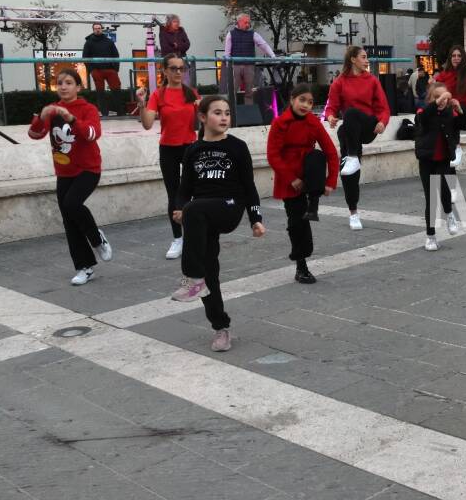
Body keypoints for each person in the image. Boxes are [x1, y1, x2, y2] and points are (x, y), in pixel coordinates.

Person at [170, 96, 266, 352]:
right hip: (201, 217)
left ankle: (191, 278)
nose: (224, 117)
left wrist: (256, 219)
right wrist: (180, 208)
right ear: (202, 117)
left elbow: (249, 186)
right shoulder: (192, 150)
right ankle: (220, 328)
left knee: (195, 210)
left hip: (229, 206)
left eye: (227, 113)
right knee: (209, 273)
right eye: (217, 113)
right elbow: (184, 188)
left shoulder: (237, 147)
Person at [27, 69, 113, 285]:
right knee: (68, 219)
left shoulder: (88, 109)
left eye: (68, 82)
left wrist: (72, 118)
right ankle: (85, 267)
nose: (63, 87)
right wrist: (42, 116)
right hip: (64, 171)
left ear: (78, 87)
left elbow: (93, 134)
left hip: (88, 169)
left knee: (73, 204)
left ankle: (97, 238)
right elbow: (35, 134)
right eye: (59, 83)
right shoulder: (54, 110)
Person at [267, 85, 339, 283]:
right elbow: (273, 156)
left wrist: (330, 181)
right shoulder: (280, 123)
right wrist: (291, 178)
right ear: (292, 100)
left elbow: (331, 152)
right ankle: (301, 264)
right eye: (302, 100)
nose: (306, 105)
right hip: (289, 178)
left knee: (316, 155)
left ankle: (313, 203)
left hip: (310, 173)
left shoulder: (313, 122)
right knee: (297, 222)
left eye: (310, 102)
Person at [136, 54, 201, 260]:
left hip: (190, 147)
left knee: (192, 192)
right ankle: (177, 238)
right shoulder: (159, 94)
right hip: (168, 148)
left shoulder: (191, 93)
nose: (178, 72)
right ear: (165, 71)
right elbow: (147, 123)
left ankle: (193, 235)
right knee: (173, 194)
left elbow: (203, 119)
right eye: (173, 68)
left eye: (181, 68)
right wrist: (141, 102)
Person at [324, 45, 390, 230]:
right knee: (348, 170)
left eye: (366, 57)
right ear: (353, 59)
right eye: (363, 57)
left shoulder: (372, 80)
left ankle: (352, 157)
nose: (366, 60)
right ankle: (353, 213)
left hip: (369, 127)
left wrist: (383, 122)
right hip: (351, 133)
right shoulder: (339, 82)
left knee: (351, 114)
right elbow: (331, 106)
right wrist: (330, 117)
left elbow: (384, 108)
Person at [415, 82, 466, 251]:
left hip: (443, 159)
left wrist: (459, 109)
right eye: (437, 97)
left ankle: (449, 214)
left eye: (444, 96)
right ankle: (430, 237)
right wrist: (436, 103)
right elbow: (421, 120)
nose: (442, 100)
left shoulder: (449, 114)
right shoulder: (424, 112)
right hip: (427, 160)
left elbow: (464, 124)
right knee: (431, 198)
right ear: (430, 99)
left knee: (444, 187)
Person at [224, 13, 275, 97]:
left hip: (249, 66)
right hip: (235, 66)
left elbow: (264, 45)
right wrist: (228, 67)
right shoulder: (230, 34)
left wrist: (273, 56)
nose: (248, 25)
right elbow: (227, 53)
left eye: (248, 23)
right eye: (245, 22)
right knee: (232, 91)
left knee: (249, 91)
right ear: (239, 22)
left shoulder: (253, 34)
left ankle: (249, 107)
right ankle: (230, 109)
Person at [82, 23, 121, 91]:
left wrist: (115, 69)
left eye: (99, 28)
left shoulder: (109, 41)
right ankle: (101, 102)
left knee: (116, 89)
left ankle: (116, 102)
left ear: (101, 29)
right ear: (93, 30)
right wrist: (91, 70)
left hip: (110, 69)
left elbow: (116, 55)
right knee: (100, 91)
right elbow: (85, 57)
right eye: (95, 29)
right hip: (96, 70)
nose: (97, 30)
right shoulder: (88, 42)